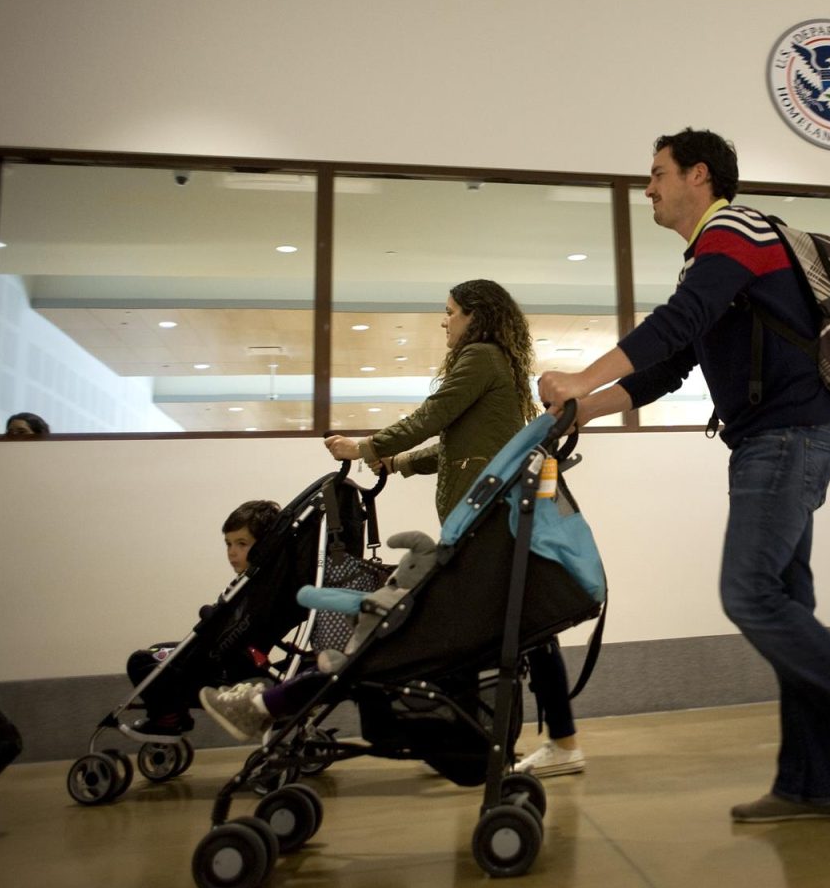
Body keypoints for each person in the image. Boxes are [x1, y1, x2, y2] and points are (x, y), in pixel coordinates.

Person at [536, 128, 830, 823]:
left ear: (698, 175)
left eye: (656, 173)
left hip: (785, 439)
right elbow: (670, 366)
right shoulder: (711, 256)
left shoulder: (736, 230)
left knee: (749, 593)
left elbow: (681, 322)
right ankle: (812, 784)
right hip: (777, 441)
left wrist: (578, 377)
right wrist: (584, 410)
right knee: (784, 605)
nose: (647, 187)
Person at [203, 280, 589, 776]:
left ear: (476, 316)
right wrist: (398, 463)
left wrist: (364, 447)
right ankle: (543, 742)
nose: (444, 321)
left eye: (450, 312)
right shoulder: (502, 368)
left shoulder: (481, 359)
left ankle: (272, 706)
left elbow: (433, 417)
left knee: (400, 626)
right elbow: (459, 447)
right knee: (524, 635)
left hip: (481, 531)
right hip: (490, 528)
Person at [124, 499, 282, 735]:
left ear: (264, 547)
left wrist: (212, 616)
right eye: (228, 543)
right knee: (158, 651)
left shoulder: (254, 589)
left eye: (242, 544)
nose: (232, 552)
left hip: (218, 666)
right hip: (230, 659)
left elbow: (229, 630)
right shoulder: (260, 586)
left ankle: (166, 719)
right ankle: (173, 714)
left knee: (141, 661)